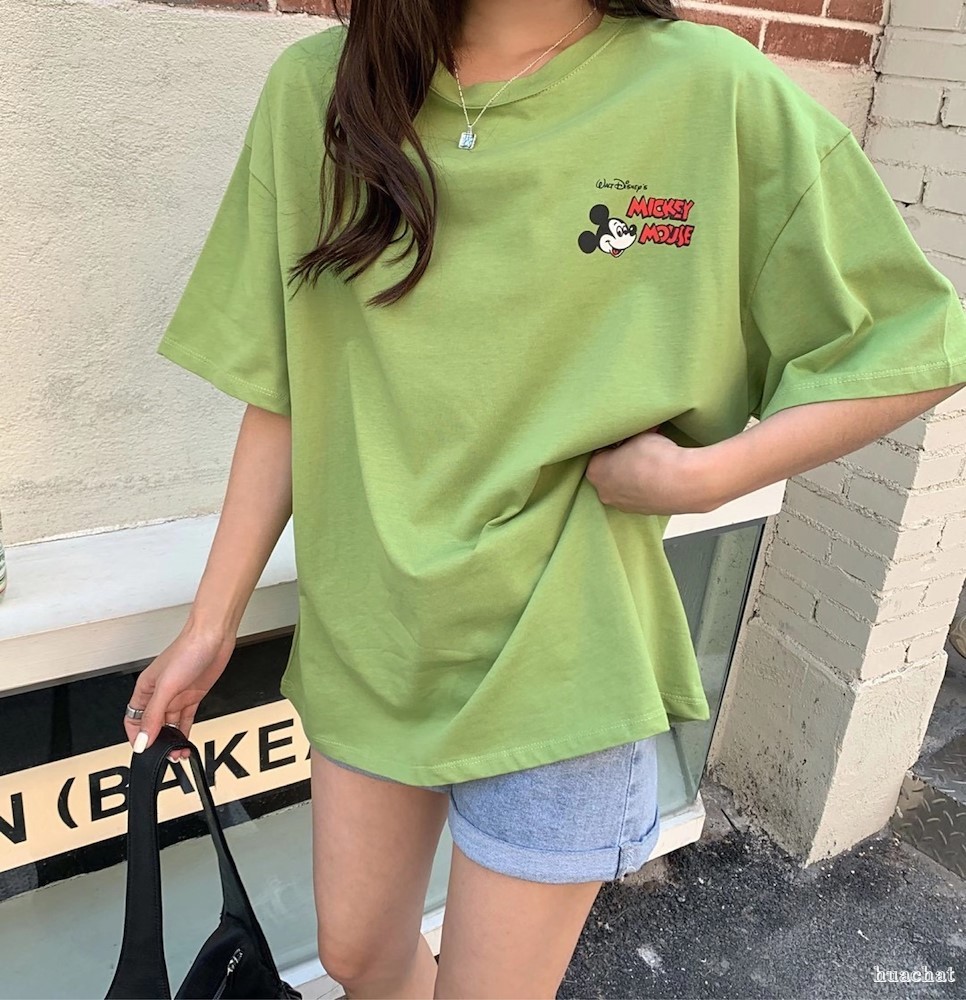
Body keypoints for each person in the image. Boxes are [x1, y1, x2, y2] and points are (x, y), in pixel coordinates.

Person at [124, 1, 966, 996]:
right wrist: (212, 621)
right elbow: (285, 384)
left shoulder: (708, 90)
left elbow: (913, 341)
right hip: (373, 633)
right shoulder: (322, 92)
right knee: (354, 953)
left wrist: (710, 475)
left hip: (568, 649)